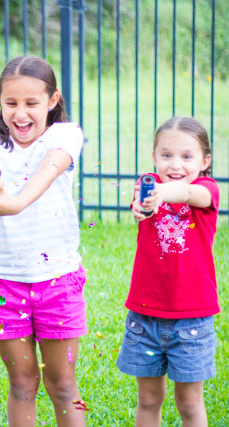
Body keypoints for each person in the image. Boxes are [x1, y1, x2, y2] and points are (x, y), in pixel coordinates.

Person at [0, 56, 87, 427]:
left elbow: (46, 173)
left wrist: (13, 202)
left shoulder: (64, 135)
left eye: (32, 103)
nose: (21, 113)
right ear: (0, 99)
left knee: (62, 383)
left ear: (52, 100)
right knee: (21, 382)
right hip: (4, 283)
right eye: (11, 103)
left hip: (57, 281)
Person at [117, 117, 219, 427]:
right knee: (148, 399)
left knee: (189, 404)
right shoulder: (148, 183)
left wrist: (164, 192)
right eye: (166, 155)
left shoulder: (207, 190)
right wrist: (142, 203)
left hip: (192, 319)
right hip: (144, 317)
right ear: (154, 156)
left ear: (205, 161)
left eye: (187, 156)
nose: (175, 164)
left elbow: (190, 196)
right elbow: (142, 201)